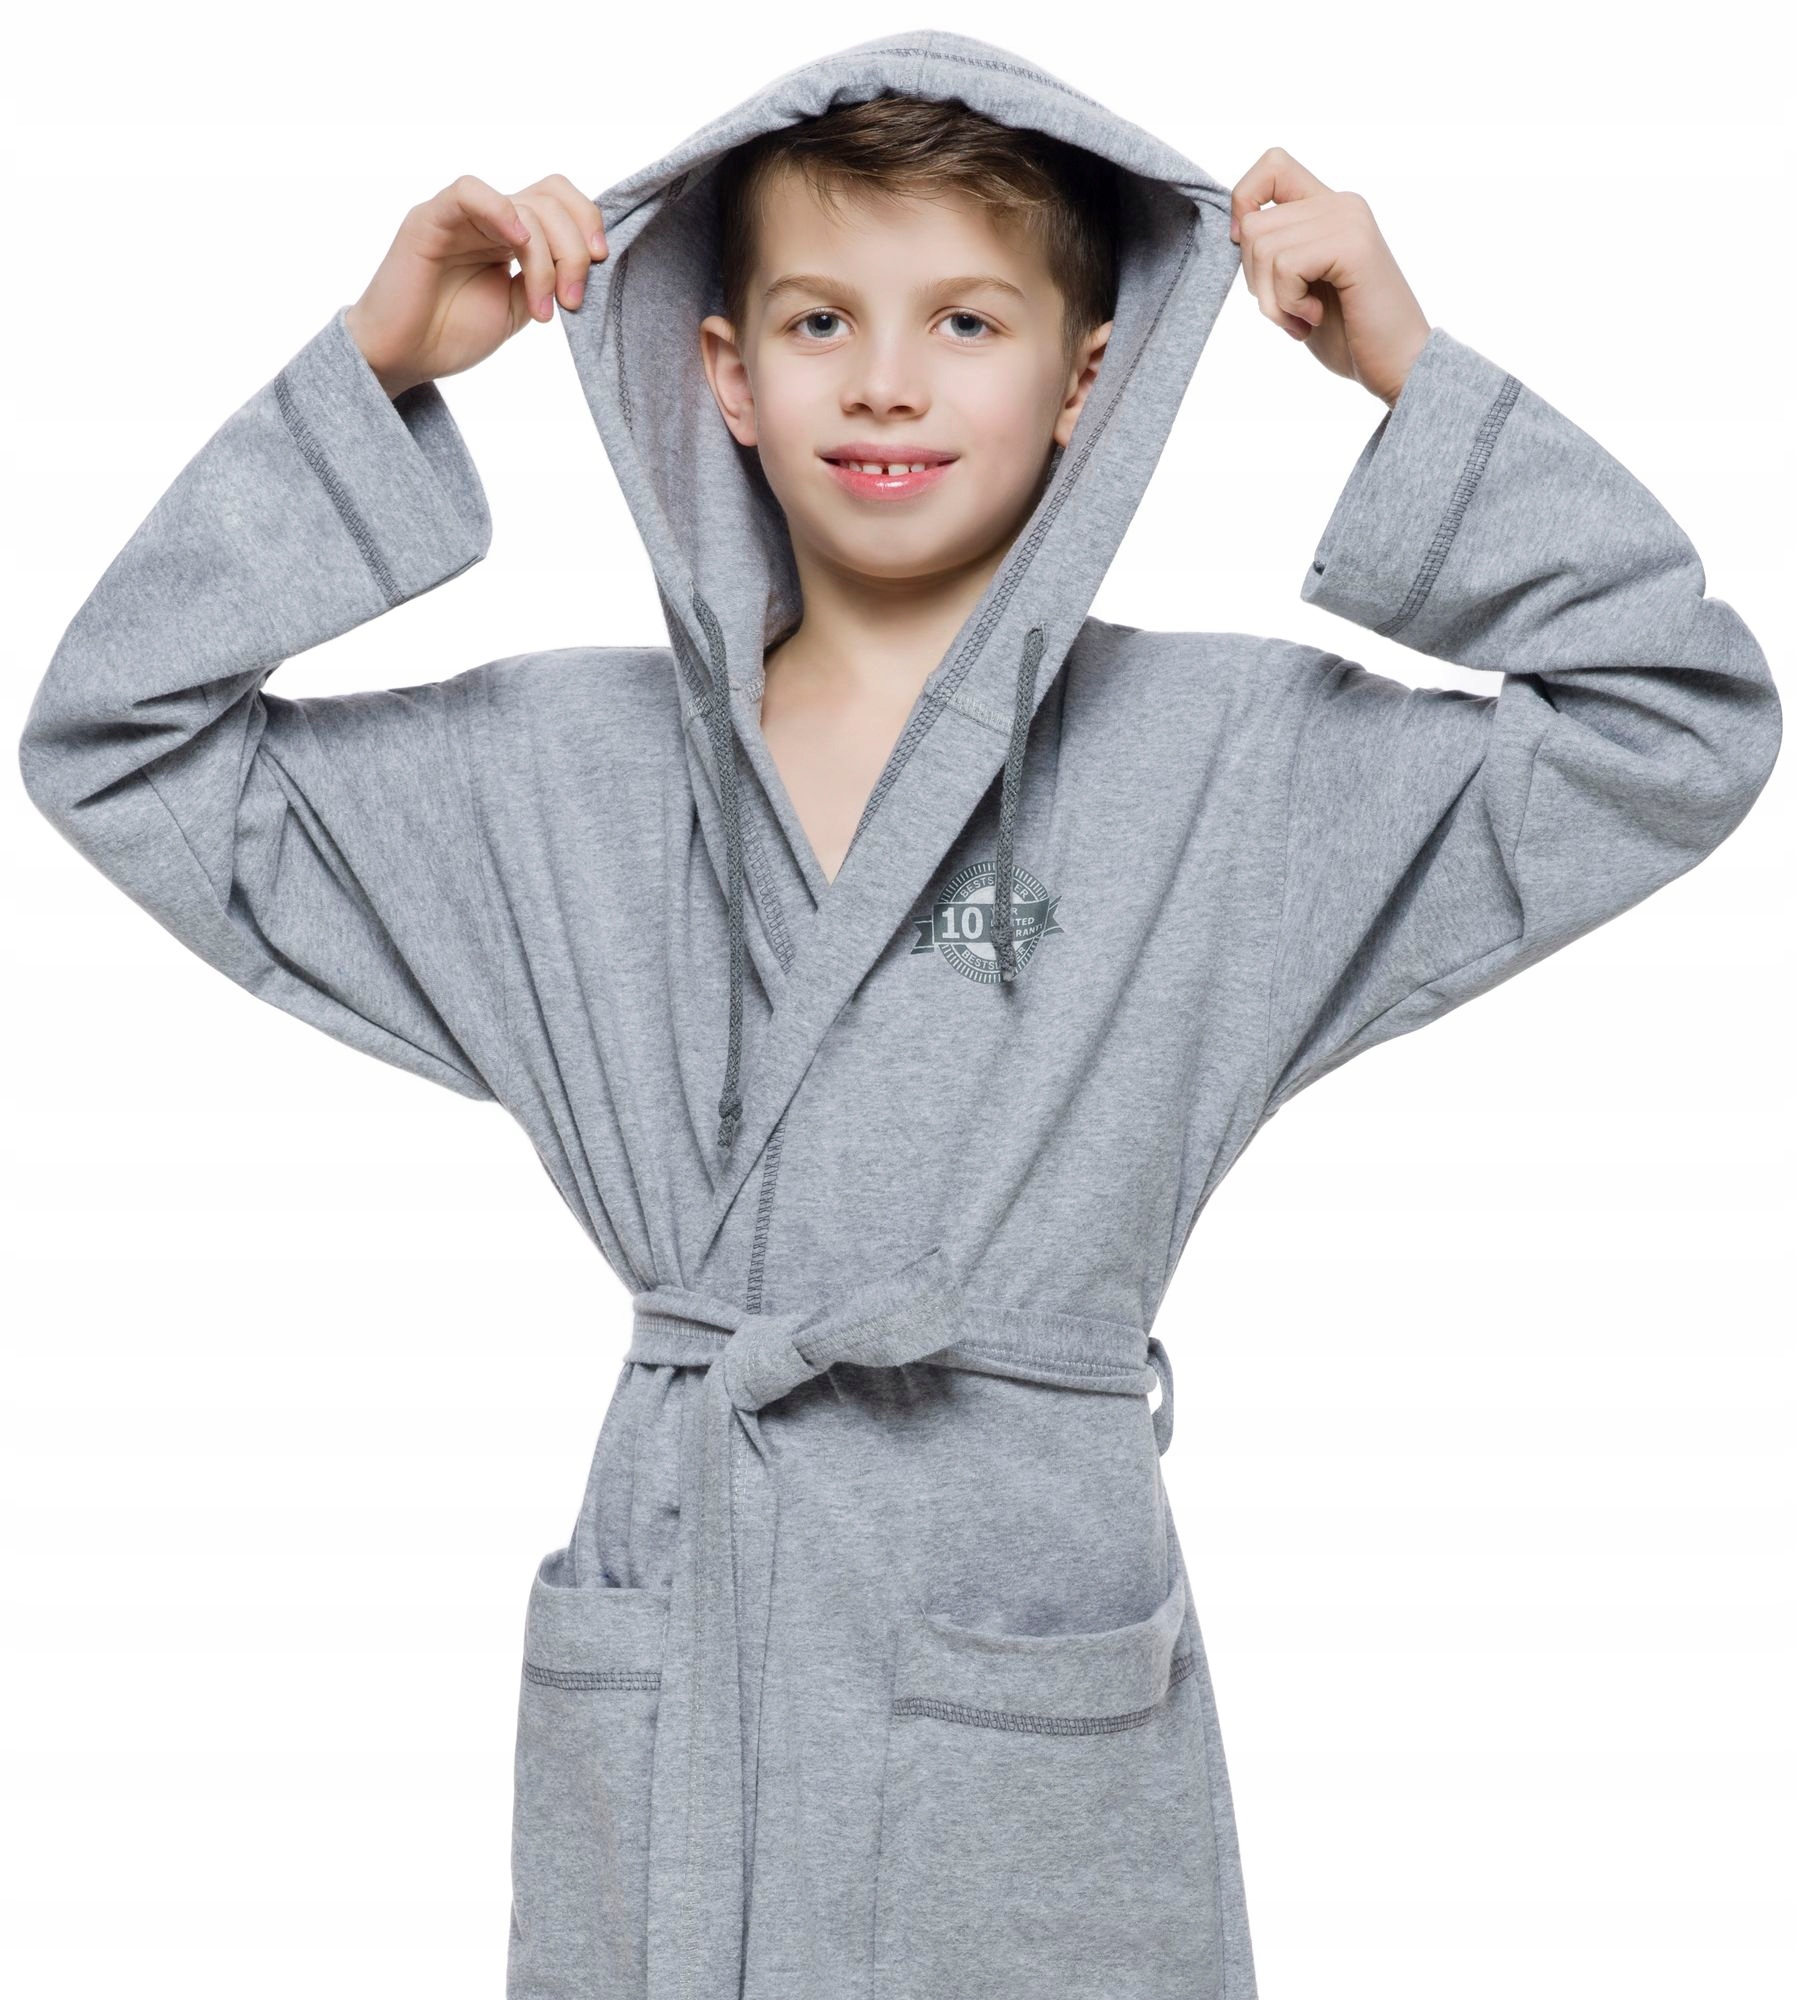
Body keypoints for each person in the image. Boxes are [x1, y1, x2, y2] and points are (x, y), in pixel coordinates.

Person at [18, 28, 1780, 2000]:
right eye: (817, 319)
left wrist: (1410, 376)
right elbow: (122, 748)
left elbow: (1673, 727)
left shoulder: (1230, 764)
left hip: (1025, 1634)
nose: (883, 379)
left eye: (964, 319)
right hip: (691, 1630)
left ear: (1086, 380)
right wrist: (372, 372)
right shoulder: (556, 775)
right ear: (725, 375)